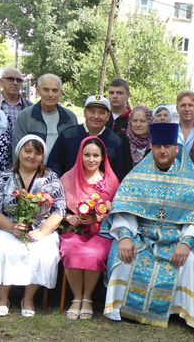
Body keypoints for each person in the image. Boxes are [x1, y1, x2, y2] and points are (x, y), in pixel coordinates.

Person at [101, 122, 194, 329]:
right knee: (122, 255)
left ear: (175, 148)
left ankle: (179, 310)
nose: (162, 151)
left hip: (176, 239)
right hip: (142, 236)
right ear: (152, 148)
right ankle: (121, 306)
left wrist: (187, 243)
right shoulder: (138, 174)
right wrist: (126, 236)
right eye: (157, 147)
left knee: (189, 260)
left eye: (167, 146)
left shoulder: (189, 178)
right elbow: (124, 208)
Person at [0, 135, 66, 317]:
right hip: (8, 226)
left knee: (43, 252)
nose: (32, 156)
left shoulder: (51, 178)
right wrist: (11, 227)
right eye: (27, 151)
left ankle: (28, 298)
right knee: (3, 249)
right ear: (19, 152)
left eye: (37, 153)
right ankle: (2, 297)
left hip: (41, 227)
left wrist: (43, 232)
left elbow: (59, 209)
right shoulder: (4, 176)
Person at [59, 136, 120, 320]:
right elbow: (58, 208)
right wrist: (71, 217)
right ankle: (76, 297)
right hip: (74, 230)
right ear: (80, 155)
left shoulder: (110, 180)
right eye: (87, 155)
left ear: (103, 157)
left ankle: (88, 298)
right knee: (70, 250)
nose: (91, 159)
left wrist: (97, 216)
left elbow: (116, 211)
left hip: (100, 232)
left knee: (95, 254)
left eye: (95, 155)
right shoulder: (68, 178)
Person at [46, 95, 133, 180]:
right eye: (92, 111)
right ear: (85, 113)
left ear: (108, 117)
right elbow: (54, 167)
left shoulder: (115, 140)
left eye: (101, 113)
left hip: (102, 192)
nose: (96, 116)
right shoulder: (67, 136)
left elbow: (118, 173)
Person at [12, 73, 78, 164]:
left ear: (61, 92)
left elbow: (74, 149)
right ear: (38, 91)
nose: (50, 94)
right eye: (46, 90)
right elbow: (18, 150)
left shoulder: (70, 118)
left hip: (62, 174)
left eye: (55, 90)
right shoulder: (26, 116)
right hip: (33, 172)